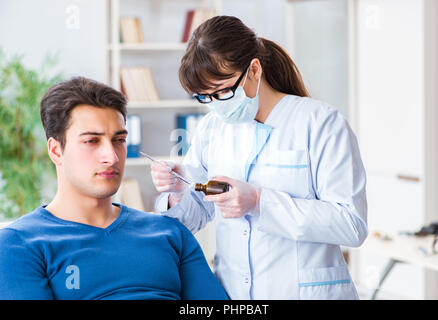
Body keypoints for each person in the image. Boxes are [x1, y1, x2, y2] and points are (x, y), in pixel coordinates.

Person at [151, 15, 368, 300]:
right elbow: (196, 213)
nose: (216, 105)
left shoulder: (320, 122)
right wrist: (176, 192)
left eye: (223, 91)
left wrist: (259, 202)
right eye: (205, 96)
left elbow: (351, 224)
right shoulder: (212, 128)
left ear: (254, 70)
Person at [0, 77, 228, 300]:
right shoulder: (18, 244)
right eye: (92, 141)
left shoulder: (169, 232)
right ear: (56, 151)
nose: (111, 156)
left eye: (119, 140)